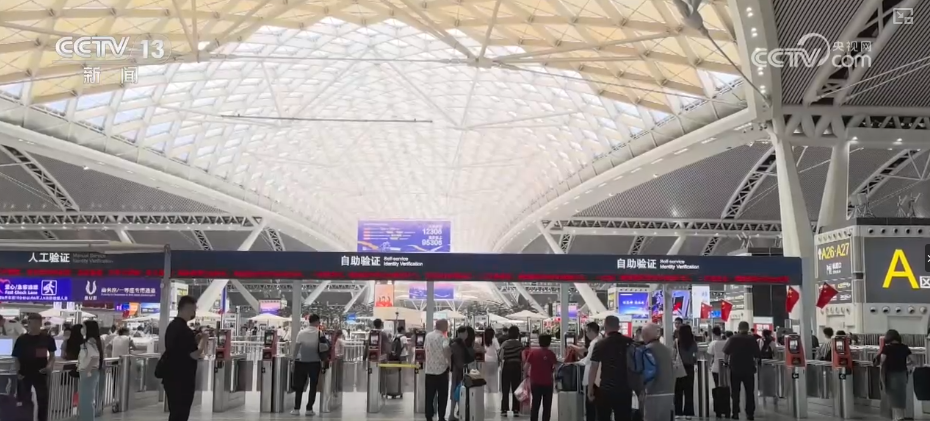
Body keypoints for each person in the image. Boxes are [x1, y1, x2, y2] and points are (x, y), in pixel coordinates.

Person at [161, 295, 209, 421]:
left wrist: (195, 340)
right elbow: (195, 354)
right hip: (182, 380)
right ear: (187, 309)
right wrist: (204, 340)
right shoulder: (185, 330)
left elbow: (180, 349)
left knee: (175, 413)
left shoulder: (172, 326)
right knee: (181, 414)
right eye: (193, 310)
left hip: (170, 377)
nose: (194, 313)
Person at [588, 316, 634, 421]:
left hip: (605, 389)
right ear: (619, 327)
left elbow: (593, 367)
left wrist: (590, 388)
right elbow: (634, 366)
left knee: (603, 417)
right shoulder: (629, 342)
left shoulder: (600, 344)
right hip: (624, 388)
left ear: (605, 327)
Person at [12, 313, 56, 421]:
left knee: (43, 400)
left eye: (36, 322)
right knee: (23, 399)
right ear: (28, 323)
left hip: (41, 372)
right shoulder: (22, 339)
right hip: (24, 373)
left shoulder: (47, 339)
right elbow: (16, 357)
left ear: (40, 323)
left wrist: (49, 366)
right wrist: (18, 371)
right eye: (31, 322)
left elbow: (52, 355)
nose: (34, 325)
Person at [292, 313, 329, 415]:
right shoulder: (319, 333)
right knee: (313, 386)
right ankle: (309, 409)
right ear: (316, 322)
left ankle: (296, 409)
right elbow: (325, 347)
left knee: (299, 386)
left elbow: (296, 349)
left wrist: (293, 360)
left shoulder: (301, 333)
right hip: (314, 362)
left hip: (301, 362)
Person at [723, 321, 760, 420]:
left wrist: (725, 363)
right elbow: (757, 355)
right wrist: (755, 365)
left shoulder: (733, 338)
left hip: (735, 369)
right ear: (747, 328)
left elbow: (726, 353)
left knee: (735, 392)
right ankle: (750, 413)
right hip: (749, 369)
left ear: (739, 328)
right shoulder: (752, 339)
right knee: (749, 392)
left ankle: (735, 413)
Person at [640, 323, 675, 421]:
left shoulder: (647, 350)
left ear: (645, 335)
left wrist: (642, 389)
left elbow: (646, 373)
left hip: (653, 393)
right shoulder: (666, 350)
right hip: (669, 392)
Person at [880, 329, 913, 421]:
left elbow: (882, 360)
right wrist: (907, 364)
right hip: (902, 375)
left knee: (893, 397)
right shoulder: (904, 347)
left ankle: (898, 418)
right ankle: (900, 416)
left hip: (891, 375)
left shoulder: (887, 348)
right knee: (901, 397)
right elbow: (913, 359)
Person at [525, 333, 557, 421]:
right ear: (549, 342)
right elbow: (555, 367)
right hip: (548, 383)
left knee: (535, 404)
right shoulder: (551, 354)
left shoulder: (533, 353)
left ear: (539, 342)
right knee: (547, 406)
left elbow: (526, 367)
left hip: (535, 382)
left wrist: (526, 377)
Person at [424, 320, 451, 421]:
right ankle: (441, 417)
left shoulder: (428, 336)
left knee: (429, 395)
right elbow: (446, 350)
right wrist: (450, 364)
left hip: (429, 370)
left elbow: (425, 348)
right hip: (442, 371)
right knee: (442, 396)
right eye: (447, 326)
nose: (447, 327)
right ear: (443, 326)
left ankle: (429, 416)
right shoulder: (443, 338)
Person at [575, 322, 602, 421]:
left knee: (591, 407)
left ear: (591, 331)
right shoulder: (600, 340)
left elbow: (589, 360)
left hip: (593, 379)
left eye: (586, 332)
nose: (586, 334)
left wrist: (577, 363)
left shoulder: (594, 343)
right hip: (598, 379)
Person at [78, 321, 103, 421]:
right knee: (86, 399)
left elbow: (95, 356)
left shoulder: (90, 341)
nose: (82, 329)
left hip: (89, 372)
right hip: (90, 372)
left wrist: (87, 370)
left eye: (84, 327)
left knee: (86, 399)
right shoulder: (93, 341)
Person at [449, 326, 475, 420]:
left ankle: (458, 412)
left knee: (458, 391)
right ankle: (452, 414)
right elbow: (459, 359)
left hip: (458, 370)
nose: (466, 335)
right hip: (458, 371)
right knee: (457, 391)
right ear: (461, 333)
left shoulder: (458, 343)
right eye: (465, 333)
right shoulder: (457, 344)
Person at [499, 325, 525, 417]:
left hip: (507, 366)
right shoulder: (520, 344)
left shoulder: (505, 344)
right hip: (517, 367)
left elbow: (501, 356)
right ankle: (516, 409)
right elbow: (523, 357)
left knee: (505, 389)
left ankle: (504, 410)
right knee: (516, 388)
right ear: (517, 334)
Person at [674, 324, 698, 419]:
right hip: (689, 368)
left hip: (679, 367)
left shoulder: (676, 342)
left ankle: (678, 412)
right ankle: (689, 412)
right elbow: (695, 356)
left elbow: (673, 354)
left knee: (678, 391)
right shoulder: (693, 343)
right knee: (689, 391)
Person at [482, 328, 500, 393]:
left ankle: (486, 390)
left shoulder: (483, 340)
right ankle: (493, 390)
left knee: (486, 376)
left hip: (485, 359)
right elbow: (498, 350)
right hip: (493, 360)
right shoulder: (494, 340)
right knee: (494, 377)